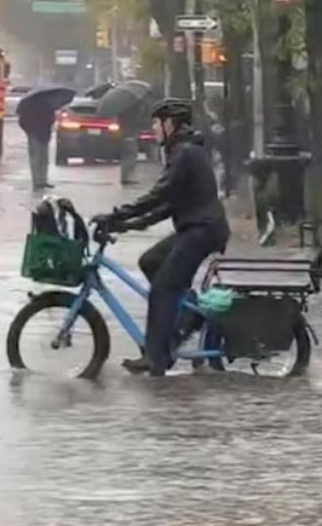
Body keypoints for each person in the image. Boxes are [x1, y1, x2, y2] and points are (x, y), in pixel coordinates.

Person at [93, 99, 231, 377]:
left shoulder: (185, 153)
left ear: (171, 124)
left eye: (157, 123)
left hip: (202, 230)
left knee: (163, 289)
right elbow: (169, 204)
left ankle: (156, 358)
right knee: (150, 261)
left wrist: (117, 215)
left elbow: (159, 195)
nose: (154, 129)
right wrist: (129, 224)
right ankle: (188, 315)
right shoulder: (181, 150)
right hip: (195, 227)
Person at [18, 102, 55, 190]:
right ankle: (39, 180)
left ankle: (41, 180)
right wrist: (30, 131)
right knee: (38, 157)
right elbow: (22, 122)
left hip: (41, 135)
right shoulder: (30, 107)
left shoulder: (48, 107)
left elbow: (22, 122)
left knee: (41, 158)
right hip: (37, 135)